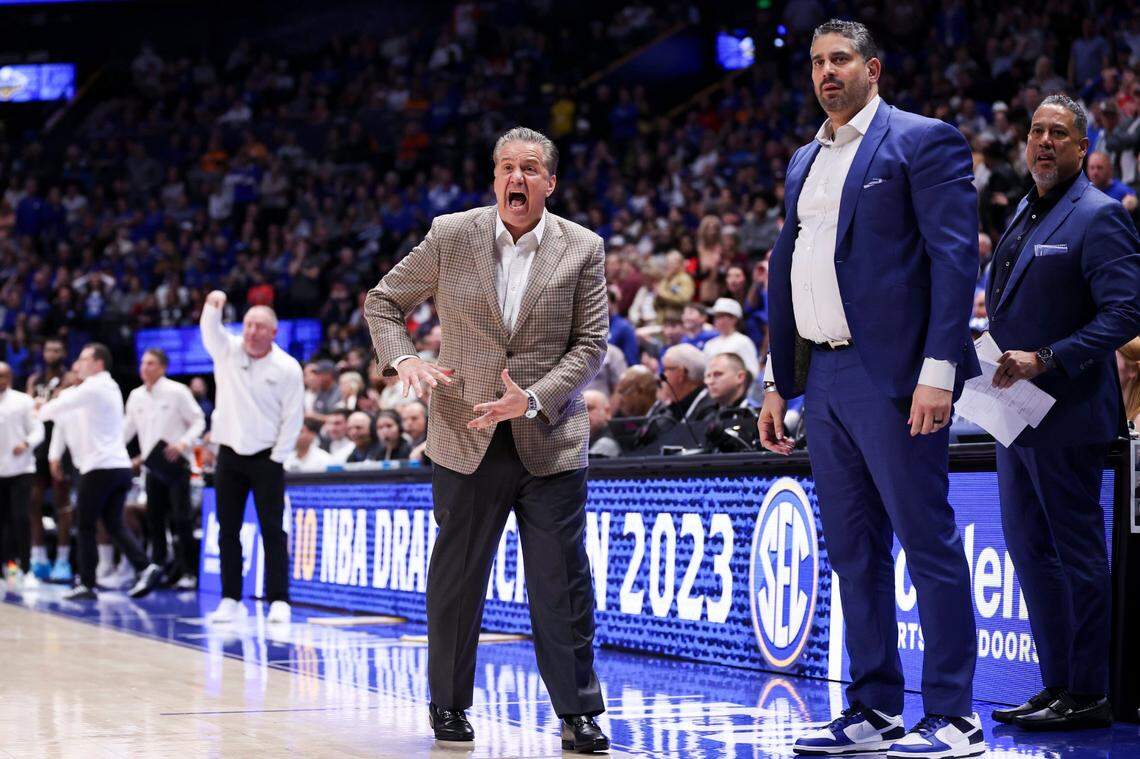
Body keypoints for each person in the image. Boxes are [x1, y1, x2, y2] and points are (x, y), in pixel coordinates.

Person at [758, 20, 983, 758]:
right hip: (822, 376)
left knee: (927, 540)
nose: (827, 72)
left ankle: (954, 714)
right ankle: (875, 706)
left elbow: (954, 263)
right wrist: (775, 380)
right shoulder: (802, 161)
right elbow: (789, 273)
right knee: (853, 550)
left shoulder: (923, 140)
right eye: (818, 62)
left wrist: (939, 370)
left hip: (896, 377)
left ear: (872, 68)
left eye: (841, 59)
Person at [363, 126, 609, 752]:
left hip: (548, 437)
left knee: (562, 582)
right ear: (494, 177)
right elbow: (384, 301)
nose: (516, 178)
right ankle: (448, 706)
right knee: (458, 579)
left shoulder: (582, 247)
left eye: (530, 168)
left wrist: (530, 398)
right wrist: (404, 360)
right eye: (506, 167)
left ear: (550, 182)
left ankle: (578, 712)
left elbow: (591, 345)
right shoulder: (451, 235)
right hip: (463, 433)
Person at [986, 95, 1140, 730]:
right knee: (1028, 551)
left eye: (1059, 133)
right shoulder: (1024, 207)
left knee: (1075, 555)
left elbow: (1126, 315)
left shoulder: (1099, 217)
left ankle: (1090, 691)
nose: (1044, 142)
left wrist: (1046, 357)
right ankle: (1056, 685)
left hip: (1068, 413)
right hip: (1010, 413)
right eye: (1036, 132)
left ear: (1084, 150)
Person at [199, 291, 304, 625]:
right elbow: (209, 331)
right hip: (229, 453)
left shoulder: (287, 367)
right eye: (247, 325)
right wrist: (212, 306)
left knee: (273, 530)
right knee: (227, 530)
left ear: (273, 333)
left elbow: (293, 416)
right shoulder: (227, 351)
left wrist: (278, 457)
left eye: (260, 327)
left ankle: (279, 600)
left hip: (266, 459)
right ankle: (231, 598)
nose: (252, 332)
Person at [36, 344, 162, 601]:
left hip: (100, 468)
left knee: (84, 524)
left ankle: (87, 583)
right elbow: (65, 415)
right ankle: (145, 566)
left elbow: (55, 409)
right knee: (114, 523)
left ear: (98, 363)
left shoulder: (93, 387)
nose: (79, 364)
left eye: (83, 359)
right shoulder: (108, 387)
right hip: (118, 467)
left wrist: (41, 406)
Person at [123, 347, 206, 588]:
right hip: (152, 467)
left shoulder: (176, 391)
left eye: (150, 363)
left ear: (162, 367)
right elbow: (126, 429)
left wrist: (183, 443)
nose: (144, 368)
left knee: (182, 519)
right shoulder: (136, 395)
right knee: (154, 519)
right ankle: (157, 569)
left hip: (176, 464)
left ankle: (189, 572)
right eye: (142, 363)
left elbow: (199, 420)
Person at [25, 337, 69, 581]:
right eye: (48, 349)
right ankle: (38, 557)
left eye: (56, 350)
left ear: (63, 353)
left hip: (60, 445)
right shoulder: (34, 379)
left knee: (63, 504)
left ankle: (62, 559)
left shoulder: (70, 378)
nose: (52, 353)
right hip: (38, 448)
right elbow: (30, 410)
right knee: (34, 503)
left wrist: (46, 404)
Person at [0, 362, 44, 585]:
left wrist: (26, 443)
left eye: (5, 376)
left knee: (21, 518)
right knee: (3, 522)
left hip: (21, 469)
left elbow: (38, 431)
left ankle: (27, 569)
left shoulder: (22, 401)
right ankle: (8, 569)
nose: (2, 381)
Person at [702, 298, 760, 377]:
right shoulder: (709, 344)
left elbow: (752, 372)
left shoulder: (743, 341)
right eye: (716, 317)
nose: (716, 320)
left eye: (721, 316)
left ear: (734, 319)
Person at [583, 389, 620, 458]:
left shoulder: (605, 444)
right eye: (580, 411)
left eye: (589, 408)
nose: (583, 415)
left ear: (607, 412)